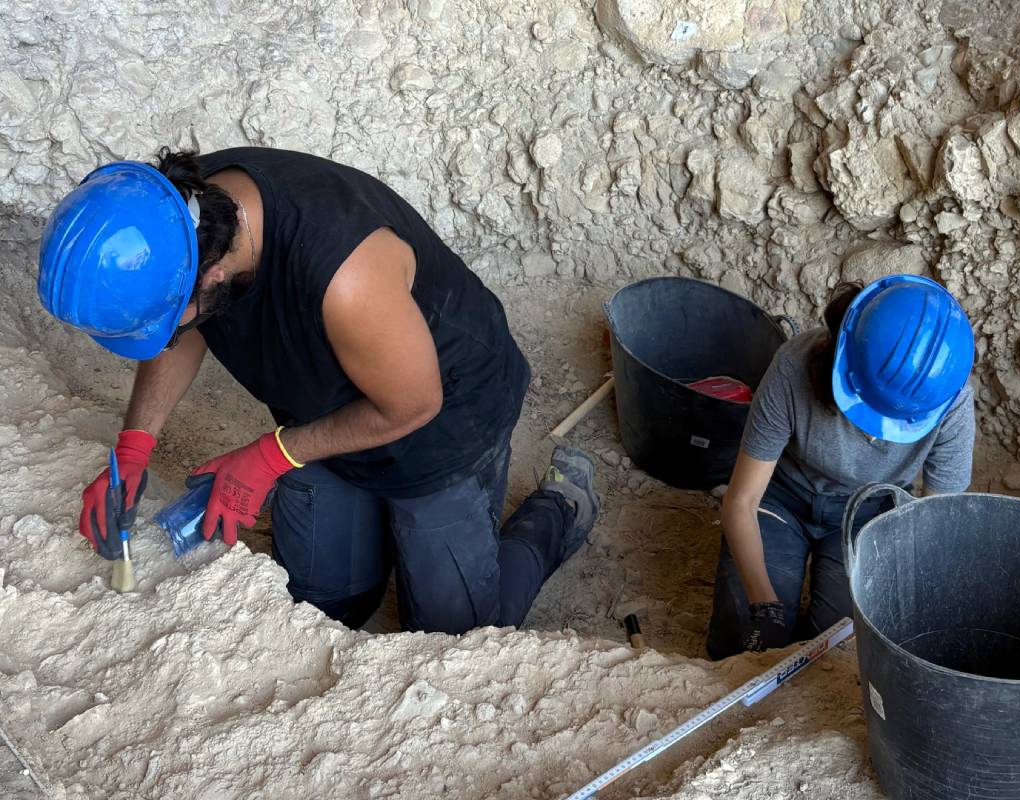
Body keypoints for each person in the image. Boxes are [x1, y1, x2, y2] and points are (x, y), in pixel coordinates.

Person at [38, 147, 600, 633]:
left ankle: (560, 508)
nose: (172, 333)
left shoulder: (343, 275)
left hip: (442, 418)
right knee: (325, 606)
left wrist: (267, 457)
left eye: (170, 321)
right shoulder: (186, 218)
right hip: (326, 412)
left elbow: (413, 404)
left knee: (450, 637)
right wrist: (134, 447)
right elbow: (182, 330)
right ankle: (385, 532)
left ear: (207, 276)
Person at [706, 275, 976, 659]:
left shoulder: (948, 400)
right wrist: (764, 607)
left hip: (868, 513)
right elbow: (741, 501)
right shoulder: (792, 370)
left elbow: (936, 527)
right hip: (781, 499)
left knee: (836, 652)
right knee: (746, 641)